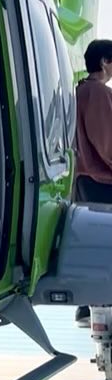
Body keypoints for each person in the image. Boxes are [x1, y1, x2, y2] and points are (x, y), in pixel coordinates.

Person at [71, 38, 112, 326]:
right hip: (102, 181)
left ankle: (88, 307)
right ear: (105, 62)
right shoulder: (98, 93)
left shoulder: (79, 91)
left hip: (83, 180)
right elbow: (107, 143)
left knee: (92, 245)